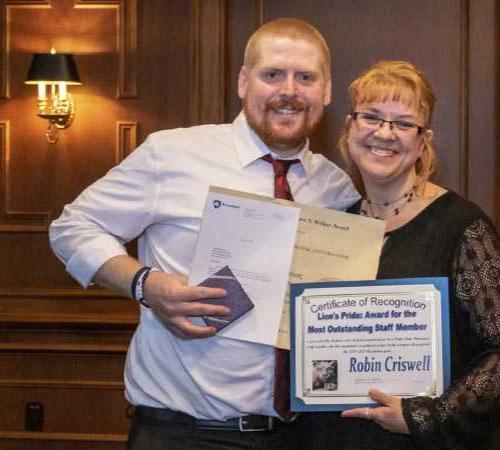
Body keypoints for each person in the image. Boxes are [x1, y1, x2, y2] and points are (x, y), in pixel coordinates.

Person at [49, 18, 359, 450]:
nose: (289, 90)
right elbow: (71, 228)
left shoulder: (337, 189)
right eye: (272, 75)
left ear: (325, 91)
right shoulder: (173, 154)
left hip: (303, 436)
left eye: (305, 77)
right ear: (243, 81)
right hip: (183, 434)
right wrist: (146, 285)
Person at [295, 61, 500, 450]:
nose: (384, 133)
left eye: (403, 123)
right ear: (350, 126)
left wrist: (424, 417)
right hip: (334, 437)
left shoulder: (461, 226)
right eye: (371, 117)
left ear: (424, 139)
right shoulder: (334, 226)